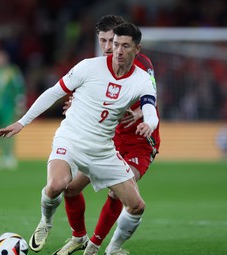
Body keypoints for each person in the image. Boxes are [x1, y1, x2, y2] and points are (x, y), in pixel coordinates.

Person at [0, 22, 159, 255]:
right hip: (70, 139)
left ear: (137, 49)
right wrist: (22, 122)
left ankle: (112, 249)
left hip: (102, 149)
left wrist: (148, 124)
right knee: (57, 186)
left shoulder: (142, 79)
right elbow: (54, 92)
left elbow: (151, 110)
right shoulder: (88, 67)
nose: (117, 50)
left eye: (125, 46)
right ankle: (46, 222)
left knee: (136, 206)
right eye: (115, 44)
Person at [53, 15, 160, 255]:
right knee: (69, 188)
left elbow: (151, 97)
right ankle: (78, 237)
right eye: (103, 41)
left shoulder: (141, 65)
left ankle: (100, 246)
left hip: (138, 143)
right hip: (107, 141)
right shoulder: (99, 66)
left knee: (117, 192)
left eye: (114, 41)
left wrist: (140, 113)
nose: (109, 48)